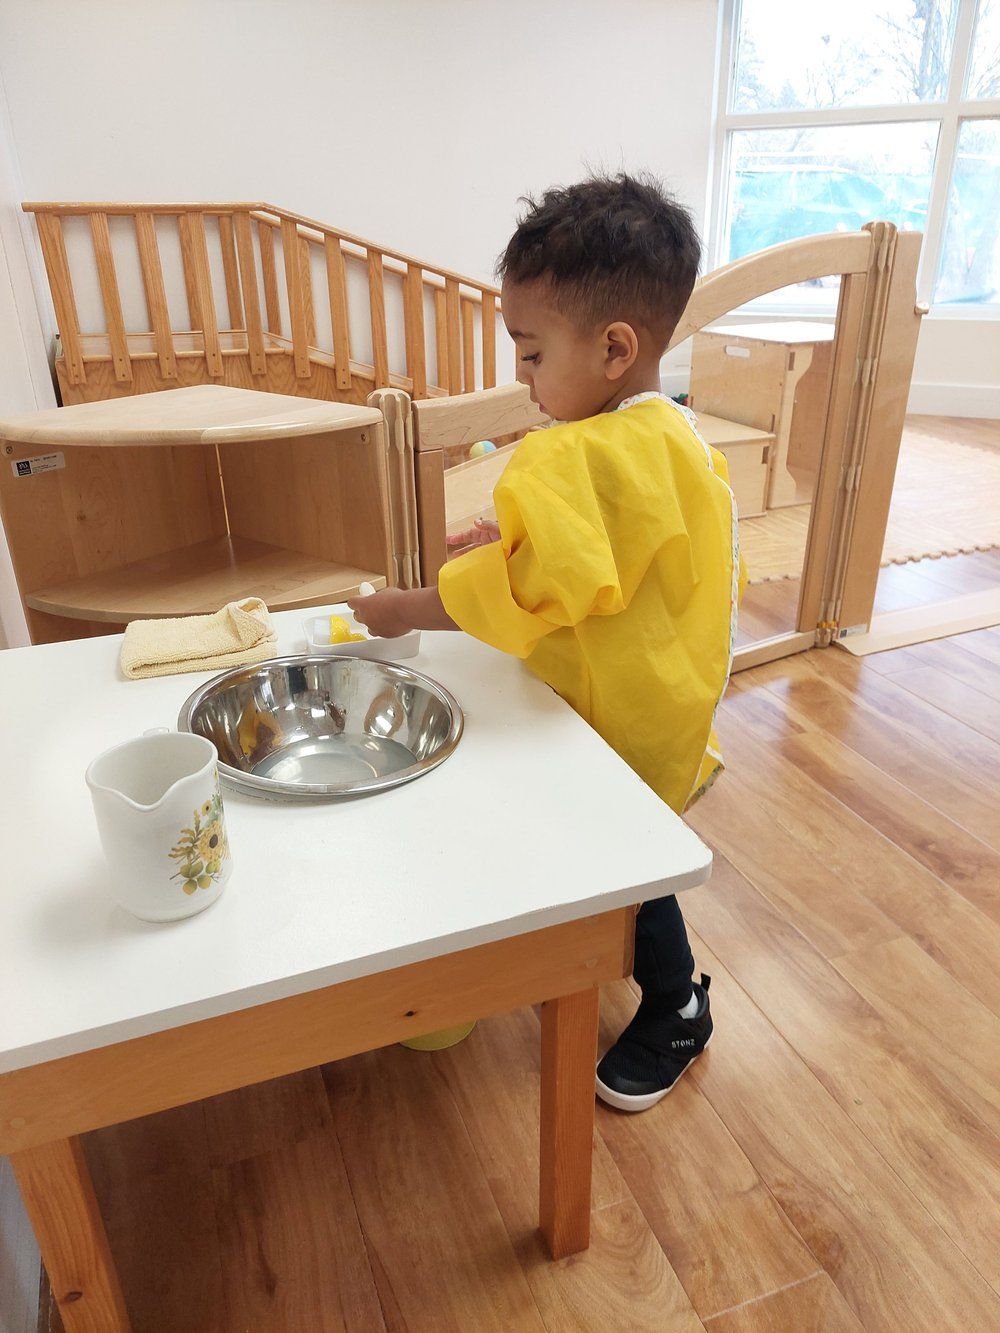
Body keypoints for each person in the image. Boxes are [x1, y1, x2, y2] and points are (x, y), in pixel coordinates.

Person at [350, 173, 743, 1111]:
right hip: (663, 694)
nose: (522, 378)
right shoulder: (670, 431)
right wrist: (513, 544)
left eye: (530, 354)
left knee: (628, 872)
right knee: (607, 852)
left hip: (615, 719)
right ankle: (570, 948)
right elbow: (607, 563)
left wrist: (406, 606)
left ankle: (678, 1003)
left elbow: (528, 591)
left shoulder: (582, 456)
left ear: (614, 348)